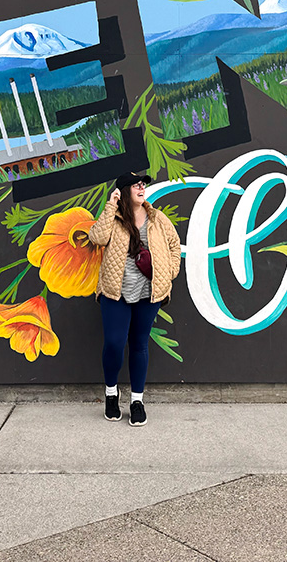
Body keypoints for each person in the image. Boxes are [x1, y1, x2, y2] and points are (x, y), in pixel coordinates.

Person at [88, 171, 182, 426]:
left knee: (139, 345)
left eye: (143, 185)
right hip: (115, 293)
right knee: (114, 344)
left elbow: (174, 246)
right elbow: (97, 238)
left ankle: (137, 401)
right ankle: (111, 394)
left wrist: (169, 272)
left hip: (148, 294)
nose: (142, 188)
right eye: (136, 185)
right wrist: (111, 205)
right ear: (123, 190)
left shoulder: (157, 218)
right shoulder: (114, 217)